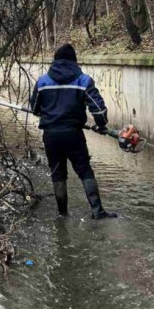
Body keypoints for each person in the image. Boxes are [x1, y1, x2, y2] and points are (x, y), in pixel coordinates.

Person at [30, 44, 117, 219]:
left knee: (57, 172)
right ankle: (97, 211)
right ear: (74, 61)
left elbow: (34, 108)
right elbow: (99, 110)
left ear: (55, 61)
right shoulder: (83, 81)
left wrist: (48, 112)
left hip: (51, 135)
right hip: (73, 134)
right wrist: (101, 124)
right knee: (84, 170)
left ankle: (63, 214)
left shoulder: (42, 82)